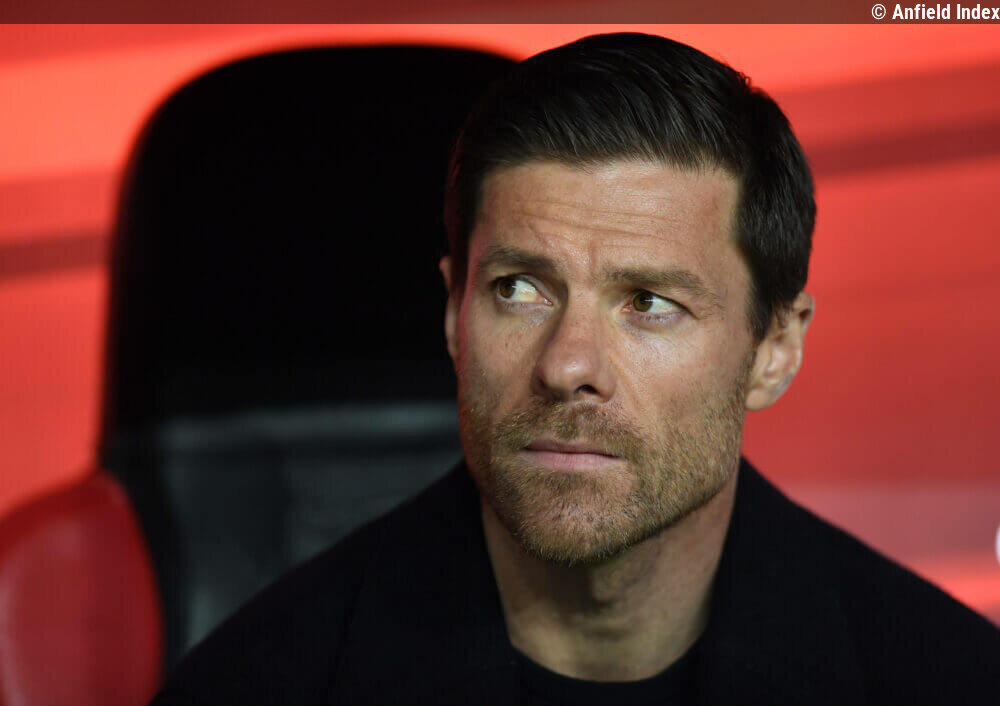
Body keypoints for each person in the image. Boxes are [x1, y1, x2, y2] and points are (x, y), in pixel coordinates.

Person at [151, 32, 999, 705]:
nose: (567, 365)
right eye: (518, 289)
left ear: (774, 350)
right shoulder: (254, 683)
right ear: (453, 315)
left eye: (649, 302)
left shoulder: (948, 679)